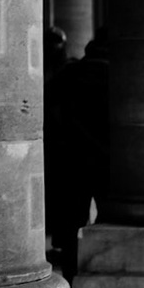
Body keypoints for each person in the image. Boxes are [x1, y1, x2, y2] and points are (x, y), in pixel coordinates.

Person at [43, 28, 111, 268]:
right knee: (109, 219)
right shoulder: (119, 76)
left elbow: (47, 107)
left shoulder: (70, 73)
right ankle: (101, 271)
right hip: (106, 160)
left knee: (72, 224)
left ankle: (72, 276)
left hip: (72, 159)